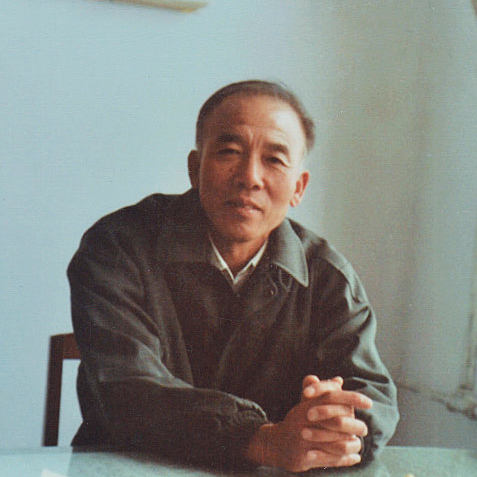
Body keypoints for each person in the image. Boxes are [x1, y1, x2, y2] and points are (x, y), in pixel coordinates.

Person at [68, 80, 399, 472]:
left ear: (299, 187)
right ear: (195, 169)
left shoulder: (328, 277)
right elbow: (128, 390)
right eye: (229, 152)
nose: (250, 177)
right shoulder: (119, 247)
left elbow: (373, 398)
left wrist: (335, 423)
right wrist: (259, 439)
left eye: (274, 160)